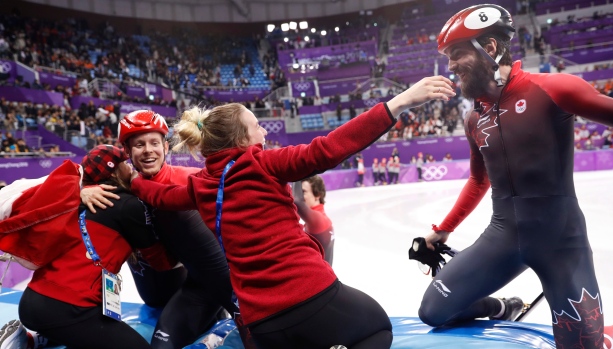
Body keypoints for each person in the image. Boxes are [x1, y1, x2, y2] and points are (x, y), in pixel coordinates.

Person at [130, 76, 456, 349]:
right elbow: (330, 148)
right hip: (309, 294)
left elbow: (161, 195)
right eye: (257, 127)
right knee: (378, 329)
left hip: (260, 324)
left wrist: (131, 179)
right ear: (243, 139)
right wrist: (398, 102)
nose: (264, 133)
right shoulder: (265, 163)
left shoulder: (199, 185)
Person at [418, 4, 613, 348]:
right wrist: (442, 230)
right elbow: (478, 180)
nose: (449, 66)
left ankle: (611, 334)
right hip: (503, 239)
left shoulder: (553, 88)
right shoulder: (473, 119)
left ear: (490, 48)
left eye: (456, 54)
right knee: (433, 311)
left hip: (561, 242)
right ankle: (502, 308)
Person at [81, 110, 242, 349]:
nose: (148, 150)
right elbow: (44, 186)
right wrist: (82, 188)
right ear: (126, 152)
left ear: (166, 147)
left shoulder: (190, 179)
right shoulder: (122, 189)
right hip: (180, 290)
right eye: (139, 144)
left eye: (154, 143)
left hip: (219, 285)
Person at [0, 145, 176, 349]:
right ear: (116, 170)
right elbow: (160, 261)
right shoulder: (129, 206)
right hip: (69, 307)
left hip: (35, 299)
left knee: (83, 332)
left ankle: (30, 341)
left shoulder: (77, 199)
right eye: (126, 164)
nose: (132, 169)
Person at [292, 175, 335, 265]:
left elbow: (297, 201)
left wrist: (296, 172)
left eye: (303, 192)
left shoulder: (319, 221)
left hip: (320, 277)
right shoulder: (322, 219)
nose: (299, 194)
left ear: (317, 195)